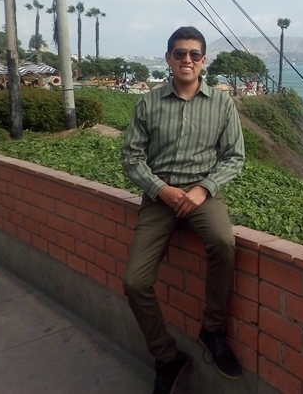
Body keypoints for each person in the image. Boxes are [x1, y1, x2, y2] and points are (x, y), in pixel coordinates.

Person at [121, 26, 245, 394]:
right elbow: (131, 157)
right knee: (135, 282)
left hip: (203, 194)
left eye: (193, 54)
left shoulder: (222, 104)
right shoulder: (148, 104)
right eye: (179, 53)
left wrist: (203, 189)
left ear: (203, 60)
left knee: (223, 242)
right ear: (168, 59)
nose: (186, 60)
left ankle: (213, 329)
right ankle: (166, 356)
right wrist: (161, 190)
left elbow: (234, 157)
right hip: (159, 196)